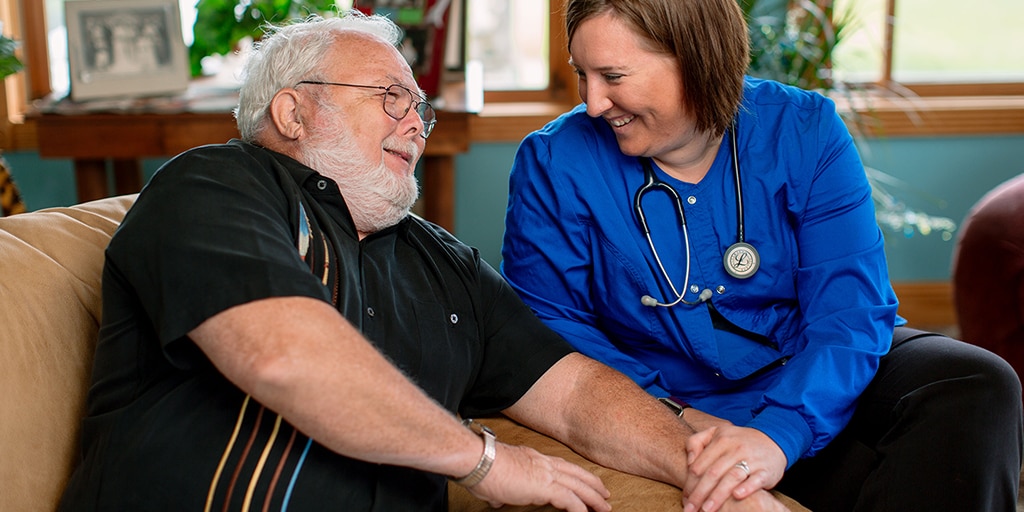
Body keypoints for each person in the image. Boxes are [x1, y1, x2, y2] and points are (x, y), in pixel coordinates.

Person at [54, 11, 784, 512]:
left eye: (421, 111)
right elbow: (283, 357)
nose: (415, 123)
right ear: (293, 112)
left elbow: (576, 393)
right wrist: (486, 461)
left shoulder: (447, 266)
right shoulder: (217, 184)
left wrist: (716, 476)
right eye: (390, 98)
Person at [500, 1, 1024, 511]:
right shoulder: (554, 162)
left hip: (812, 377)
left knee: (976, 384)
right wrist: (674, 418)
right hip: (666, 403)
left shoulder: (805, 130)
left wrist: (779, 434)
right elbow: (550, 328)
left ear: (697, 57)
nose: (593, 103)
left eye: (613, 77)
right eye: (581, 74)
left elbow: (850, 312)